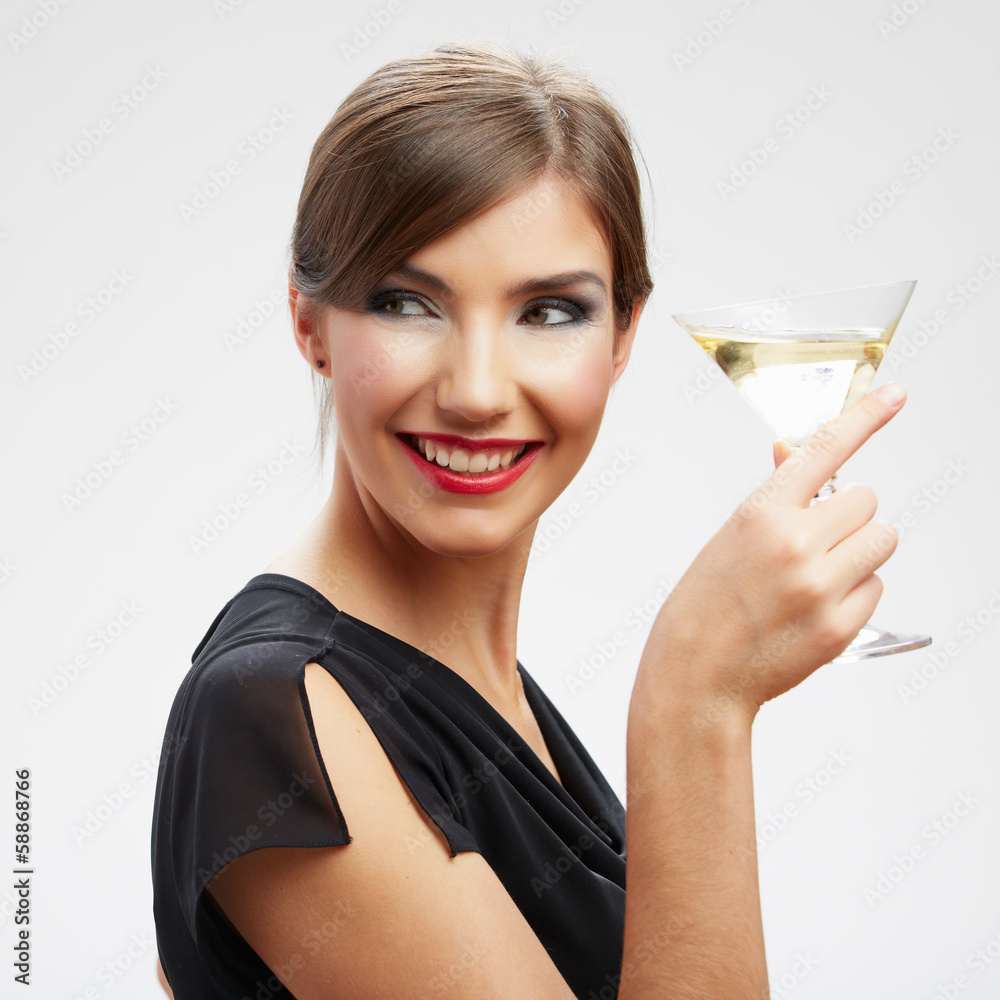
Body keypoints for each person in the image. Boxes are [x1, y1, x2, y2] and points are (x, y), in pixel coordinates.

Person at [150, 42, 906, 999]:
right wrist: (695, 702)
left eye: (548, 313)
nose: (476, 392)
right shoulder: (270, 711)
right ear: (310, 324)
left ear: (624, 335)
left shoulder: (480, 690)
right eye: (406, 303)